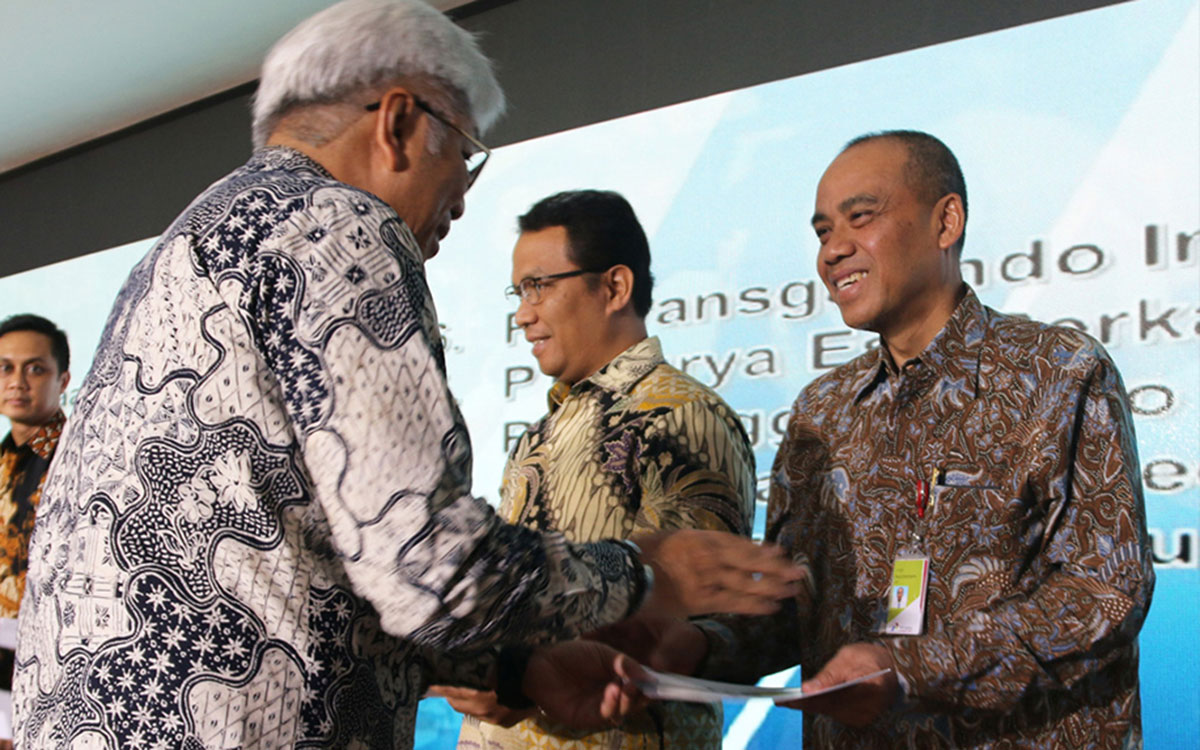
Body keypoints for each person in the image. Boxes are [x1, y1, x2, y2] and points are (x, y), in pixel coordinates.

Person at [11, 3, 799, 748]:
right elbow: (429, 563)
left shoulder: (185, 248)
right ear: (398, 124)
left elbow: (312, 567)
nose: (462, 196)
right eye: (464, 152)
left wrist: (517, 670)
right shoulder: (339, 226)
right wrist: (645, 572)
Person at [633, 130, 1155, 748]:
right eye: (823, 232)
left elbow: (1102, 593)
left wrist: (911, 668)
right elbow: (795, 610)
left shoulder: (1057, 372)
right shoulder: (821, 412)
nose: (833, 250)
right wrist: (697, 645)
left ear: (946, 222)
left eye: (861, 217)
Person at [439, 190, 756, 750]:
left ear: (614, 288)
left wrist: (519, 674)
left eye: (539, 286)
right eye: (519, 292)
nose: (523, 313)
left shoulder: (681, 415)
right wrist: (491, 663)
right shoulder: (539, 434)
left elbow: (684, 616)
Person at [0, 314, 70, 749]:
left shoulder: (82, 456)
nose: (17, 382)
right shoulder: (3, 461)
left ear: (63, 380)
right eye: (5, 368)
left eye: (35, 368)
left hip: (53, 656)